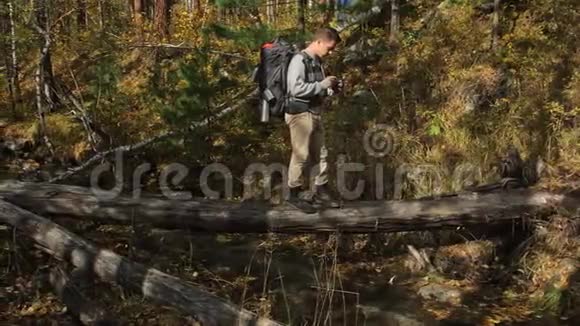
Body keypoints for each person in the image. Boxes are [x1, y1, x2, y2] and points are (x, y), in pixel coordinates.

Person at [284, 27, 343, 213]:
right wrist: (321, 85)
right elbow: (295, 89)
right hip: (300, 114)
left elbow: (318, 88)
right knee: (301, 154)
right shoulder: (299, 60)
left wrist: (331, 88)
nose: (331, 52)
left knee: (321, 154)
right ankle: (294, 194)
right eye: (329, 48)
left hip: (315, 113)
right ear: (318, 42)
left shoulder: (317, 62)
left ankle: (321, 191)